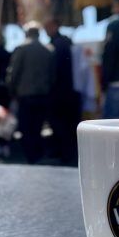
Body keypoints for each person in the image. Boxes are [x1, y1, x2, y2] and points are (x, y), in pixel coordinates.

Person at [6, 21, 55, 164]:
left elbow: (14, 73)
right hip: (43, 95)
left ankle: (31, 157)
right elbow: (53, 75)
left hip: (25, 95)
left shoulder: (22, 48)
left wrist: (11, 90)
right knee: (38, 127)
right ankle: (38, 155)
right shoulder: (48, 49)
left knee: (27, 128)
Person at [44, 16, 81, 165]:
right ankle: (69, 155)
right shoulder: (67, 42)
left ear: (54, 25)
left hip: (60, 93)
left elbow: (54, 72)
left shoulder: (57, 45)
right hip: (71, 92)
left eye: (47, 27)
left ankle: (66, 155)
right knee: (69, 126)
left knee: (62, 125)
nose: (45, 30)